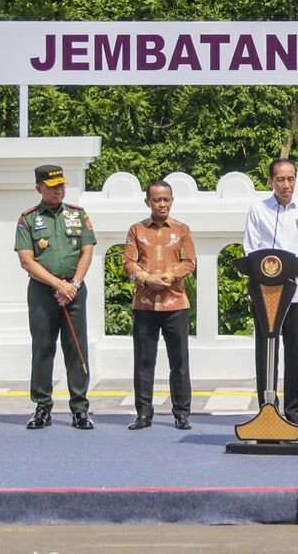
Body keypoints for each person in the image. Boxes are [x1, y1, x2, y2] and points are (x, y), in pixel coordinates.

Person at [243, 158, 298, 429]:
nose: (286, 184)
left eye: (290, 179)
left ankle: (294, 413)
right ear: (270, 181)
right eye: (280, 179)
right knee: (266, 351)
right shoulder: (258, 210)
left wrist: (290, 266)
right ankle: (267, 410)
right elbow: (251, 249)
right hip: (266, 292)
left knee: (295, 352)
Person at [16, 163, 96, 430]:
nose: (57, 191)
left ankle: (80, 408)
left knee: (76, 348)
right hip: (42, 291)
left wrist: (72, 284)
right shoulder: (28, 219)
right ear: (39, 188)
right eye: (51, 187)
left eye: (61, 186)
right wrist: (57, 285)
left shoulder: (78, 214)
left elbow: (87, 251)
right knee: (43, 348)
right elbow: (27, 261)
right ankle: (42, 406)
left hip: (74, 289)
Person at [123, 179, 197, 431]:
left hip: (175, 303)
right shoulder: (136, 231)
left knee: (179, 361)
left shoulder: (182, 230)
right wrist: (147, 279)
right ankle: (143, 413)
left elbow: (190, 262)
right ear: (148, 202)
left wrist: (170, 276)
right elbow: (129, 264)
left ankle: (182, 413)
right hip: (144, 304)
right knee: (144, 361)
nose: (162, 204)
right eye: (157, 200)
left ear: (172, 201)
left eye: (166, 199)